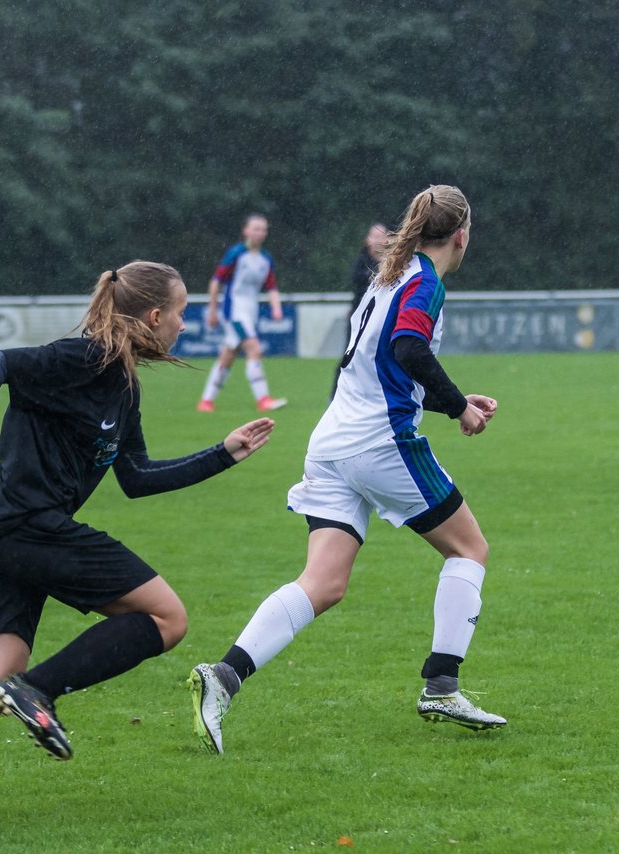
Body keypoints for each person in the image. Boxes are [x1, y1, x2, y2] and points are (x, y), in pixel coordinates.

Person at [0, 261, 275, 831]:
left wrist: (221, 454)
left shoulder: (123, 386)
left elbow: (137, 478)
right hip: (24, 527)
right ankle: (36, 690)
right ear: (154, 315)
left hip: (3, 535)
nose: (184, 324)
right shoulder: (81, 358)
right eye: (181, 312)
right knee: (167, 617)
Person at [187, 185, 506, 756]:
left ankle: (224, 676)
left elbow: (382, 367)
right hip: (380, 444)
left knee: (324, 583)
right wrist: (458, 407)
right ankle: (441, 684)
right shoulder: (424, 281)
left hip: (331, 442)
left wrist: (454, 399)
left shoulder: (390, 274)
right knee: (470, 549)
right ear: (462, 234)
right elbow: (408, 348)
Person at [197, 214, 288, 412]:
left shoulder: (266, 258)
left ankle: (206, 401)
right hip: (234, 312)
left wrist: (276, 308)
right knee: (255, 349)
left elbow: (271, 286)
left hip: (250, 313)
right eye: (255, 229)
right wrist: (213, 310)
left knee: (228, 355)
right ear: (245, 230)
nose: (260, 233)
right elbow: (216, 282)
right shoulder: (236, 253)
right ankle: (263, 399)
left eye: (263, 229)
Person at [331, 222, 389, 397]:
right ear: (367, 240)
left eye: (381, 236)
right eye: (374, 236)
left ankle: (376, 394)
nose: (378, 240)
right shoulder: (361, 262)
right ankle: (336, 396)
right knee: (350, 356)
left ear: (388, 239)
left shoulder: (394, 262)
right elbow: (359, 290)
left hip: (384, 318)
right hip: (360, 318)